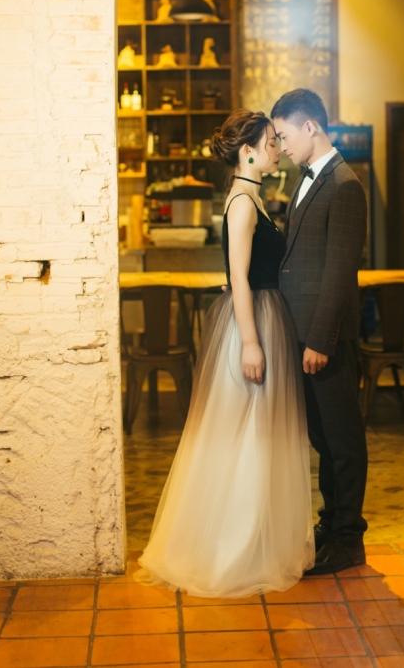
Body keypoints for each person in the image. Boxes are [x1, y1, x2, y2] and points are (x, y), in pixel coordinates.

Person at [136, 110, 314, 597]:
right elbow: (239, 276)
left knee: (259, 433)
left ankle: (256, 540)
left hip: (264, 315)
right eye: (270, 142)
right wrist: (252, 342)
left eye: (279, 141)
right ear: (248, 152)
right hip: (253, 323)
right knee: (248, 433)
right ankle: (234, 550)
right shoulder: (242, 203)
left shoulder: (252, 196)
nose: (277, 148)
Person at [271, 88, 369, 574]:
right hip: (304, 334)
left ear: (310, 126)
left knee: (343, 442)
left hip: (323, 340)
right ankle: (331, 525)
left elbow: (339, 270)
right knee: (323, 440)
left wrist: (319, 341)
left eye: (285, 135)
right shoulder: (308, 180)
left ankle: (350, 539)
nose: (282, 146)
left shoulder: (345, 185)